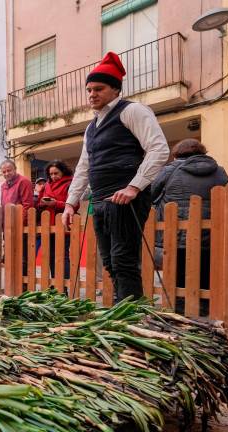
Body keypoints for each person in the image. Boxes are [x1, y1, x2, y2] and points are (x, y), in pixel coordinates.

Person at [62, 52, 169, 303]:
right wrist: (70, 202)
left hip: (125, 200)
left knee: (124, 259)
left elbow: (159, 148)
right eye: (89, 90)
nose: (92, 94)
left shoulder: (132, 111)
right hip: (99, 201)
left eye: (98, 89)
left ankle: (132, 317)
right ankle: (126, 312)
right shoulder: (91, 127)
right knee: (110, 261)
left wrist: (134, 187)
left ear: (115, 89)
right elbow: (83, 166)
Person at [152, 139, 228, 315]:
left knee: (178, 264)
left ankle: (179, 303)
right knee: (205, 263)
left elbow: (152, 193)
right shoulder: (219, 171)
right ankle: (204, 304)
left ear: (177, 153)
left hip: (176, 229)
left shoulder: (170, 169)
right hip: (209, 232)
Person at [37, 160, 76, 281]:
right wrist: (43, 203)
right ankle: (56, 284)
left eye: (56, 173)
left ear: (63, 172)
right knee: (50, 256)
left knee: (62, 255)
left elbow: (75, 205)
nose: (53, 176)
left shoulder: (70, 184)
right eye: (51, 174)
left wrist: (55, 203)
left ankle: (64, 286)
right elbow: (39, 203)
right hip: (48, 225)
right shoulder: (47, 185)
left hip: (63, 224)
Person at [0, 159, 33, 224]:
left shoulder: (23, 182)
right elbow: (3, 205)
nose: (6, 173)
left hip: (19, 223)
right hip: (7, 223)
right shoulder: (3, 186)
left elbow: (28, 205)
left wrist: (20, 222)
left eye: (9, 170)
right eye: (4, 172)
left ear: (15, 169)